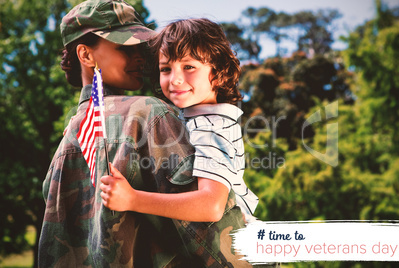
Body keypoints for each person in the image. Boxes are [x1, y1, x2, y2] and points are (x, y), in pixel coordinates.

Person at [39, 1, 254, 267]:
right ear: (86, 55)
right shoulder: (148, 113)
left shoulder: (68, 138)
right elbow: (212, 232)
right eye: (125, 48)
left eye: (142, 48)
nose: (140, 58)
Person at [100, 18, 259, 224]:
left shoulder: (214, 127)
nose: (175, 79)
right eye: (166, 69)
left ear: (219, 74)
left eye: (189, 67)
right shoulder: (190, 117)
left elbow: (212, 206)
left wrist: (132, 199)